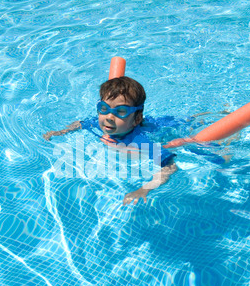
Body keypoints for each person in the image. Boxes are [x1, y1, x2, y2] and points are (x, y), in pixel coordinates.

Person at [43, 76, 178, 205]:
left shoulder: (140, 142)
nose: (109, 117)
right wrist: (60, 132)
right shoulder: (100, 123)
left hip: (172, 126)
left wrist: (144, 189)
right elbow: (81, 123)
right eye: (104, 108)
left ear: (136, 119)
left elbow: (170, 165)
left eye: (121, 111)